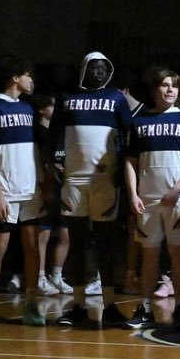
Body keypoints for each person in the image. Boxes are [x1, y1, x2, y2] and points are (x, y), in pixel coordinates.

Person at [53, 52, 133, 328]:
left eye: (104, 68)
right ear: (84, 69)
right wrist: (55, 163)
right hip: (73, 181)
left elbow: (129, 134)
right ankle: (78, 305)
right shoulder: (66, 98)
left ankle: (110, 304)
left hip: (104, 182)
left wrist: (120, 171)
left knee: (106, 243)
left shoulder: (116, 99)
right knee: (76, 243)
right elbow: (54, 136)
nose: (99, 72)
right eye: (94, 67)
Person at [124, 69, 180, 330]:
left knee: (177, 255)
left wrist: (178, 189)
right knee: (149, 256)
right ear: (154, 89)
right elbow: (130, 162)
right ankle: (144, 308)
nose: (170, 90)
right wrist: (133, 194)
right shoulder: (140, 121)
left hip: (176, 199)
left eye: (174, 86)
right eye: (165, 85)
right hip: (147, 200)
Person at [0, 55, 47, 327]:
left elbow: (34, 150)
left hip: (31, 190)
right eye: (28, 75)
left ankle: (32, 304)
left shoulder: (28, 109)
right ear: (16, 77)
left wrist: (42, 182)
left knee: (32, 247)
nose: (32, 81)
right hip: (6, 189)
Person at [30, 93, 73, 297]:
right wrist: (44, 185)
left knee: (65, 232)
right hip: (45, 188)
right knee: (44, 233)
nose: (57, 109)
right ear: (41, 108)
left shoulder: (60, 131)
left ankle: (56, 275)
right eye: (53, 104)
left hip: (63, 188)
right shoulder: (37, 132)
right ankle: (39, 277)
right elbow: (39, 161)